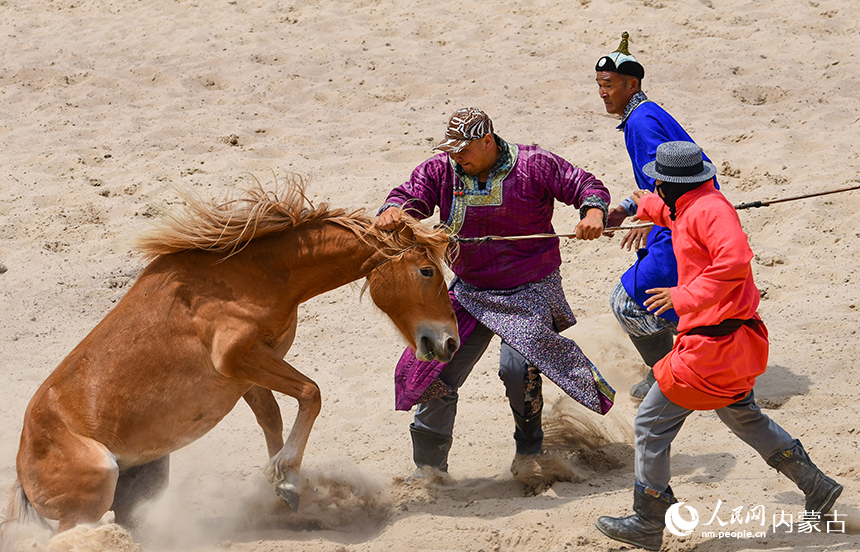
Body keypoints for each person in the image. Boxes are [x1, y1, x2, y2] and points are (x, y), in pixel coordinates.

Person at [594, 141, 843, 551]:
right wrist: (631, 209)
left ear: (676, 183)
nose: (654, 184)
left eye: (659, 181)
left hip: (712, 348)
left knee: (649, 425)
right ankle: (816, 486)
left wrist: (683, 297)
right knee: (745, 418)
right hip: (734, 344)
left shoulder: (710, 211)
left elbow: (735, 261)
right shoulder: (691, 203)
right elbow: (667, 211)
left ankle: (648, 519)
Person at [376, 107, 616, 485]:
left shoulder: (535, 163)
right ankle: (429, 470)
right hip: (471, 290)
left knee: (516, 369)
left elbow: (585, 185)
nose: (456, 157)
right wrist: (393, 209)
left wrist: (593, 213)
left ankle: (529, 452)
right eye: (451, 150)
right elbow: (410, 196)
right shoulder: (442, 170)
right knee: (431, 367)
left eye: (463, 149)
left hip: (530, 287)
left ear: (488, 141)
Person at [596, 32, 717, 401]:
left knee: (628, 301)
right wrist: (630, 208)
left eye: (610, 85)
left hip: (680, 222)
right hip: (684, 215)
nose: (603, 93)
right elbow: (660, 178)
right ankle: (700, 356)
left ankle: (671, 374)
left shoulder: (641, 123)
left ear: (632, 84)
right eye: (599, 85)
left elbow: (669, 181)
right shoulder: (646, 114)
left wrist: (652, 217)